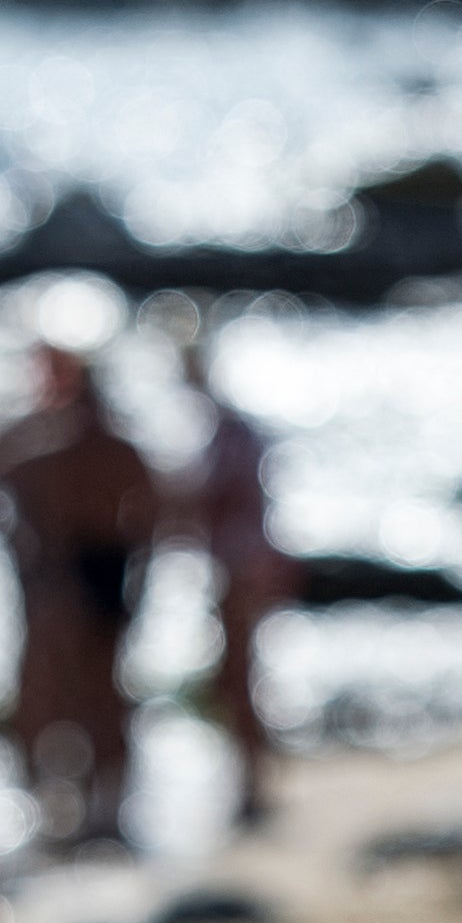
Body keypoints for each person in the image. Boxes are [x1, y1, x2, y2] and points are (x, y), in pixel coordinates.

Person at [0, 344, 160, 848]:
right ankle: (69, 805)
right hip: (68, 573)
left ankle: (97, 807)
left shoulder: (80, 452)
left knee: (94, 695)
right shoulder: (49, 450)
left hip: (92, 571)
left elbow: (151, 523)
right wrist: (25, 553)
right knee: (62, 695)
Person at [177, 340, 290, 828]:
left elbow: (238, 505)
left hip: (241, 570)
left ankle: (254, 783)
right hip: (236, 568)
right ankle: (249, 779)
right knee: (234, 678)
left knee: (238, 679)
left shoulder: (231, 433)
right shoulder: (220, 431)